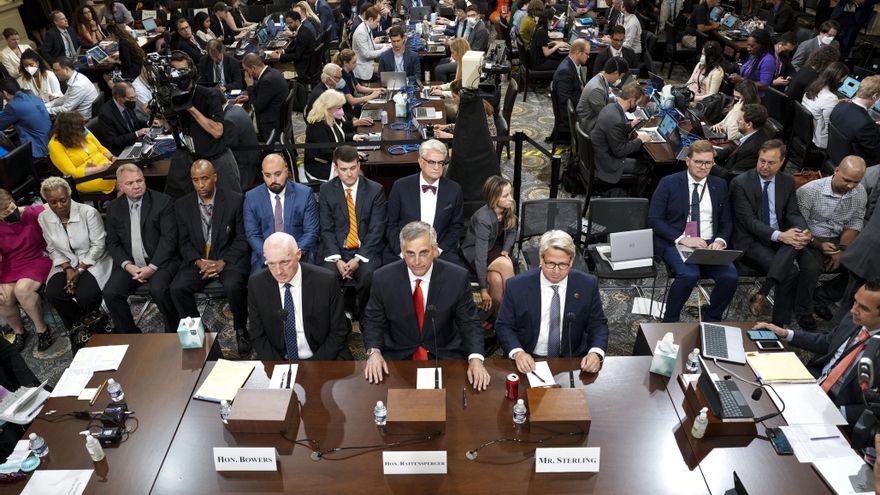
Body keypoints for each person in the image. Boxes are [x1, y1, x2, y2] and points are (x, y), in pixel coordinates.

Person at [363, 221, 490, 389]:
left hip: (444, 354)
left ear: (435, 250)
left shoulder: (457, 278)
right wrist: (374, 352)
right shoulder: (382, 278)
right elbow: (373, 321)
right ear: (402, 251)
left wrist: (475, 358)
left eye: (423, 253)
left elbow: (469, 323)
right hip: (398, 357)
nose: (416, 261)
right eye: (410, 253)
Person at [754, 280, 880, 424]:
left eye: (863, 308)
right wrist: (785, 333)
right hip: (815, 381)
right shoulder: (854, 319)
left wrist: (840, 414)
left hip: (839, 407)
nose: (853, 310)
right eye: (855, 302)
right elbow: (828, 342)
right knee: (763, 395)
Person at [648, 140, 738, 322]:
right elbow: (654, 219)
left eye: (708, 163)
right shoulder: (669, 183)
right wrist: (682, 238)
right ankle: (670, 319)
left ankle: (712, 318)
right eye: (698, 162)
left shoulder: (719, 185)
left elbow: (726, 221)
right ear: (687, 160)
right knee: (689, 275)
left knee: (730, 276)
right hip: (678, 242)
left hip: (709, 244)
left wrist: (720, 241)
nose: (703, 167)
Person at [495, 229, 608, 372]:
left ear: (571, 261)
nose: (556, 271)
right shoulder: (517, 285)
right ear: (541, 259)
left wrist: (596, 353)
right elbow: (504, 325)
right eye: (550, 264)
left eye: (563, 265)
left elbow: (598, 324)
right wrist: (518, 352)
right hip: (528, 358)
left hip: (571, 359)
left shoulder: (587, 284)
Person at [170, 160, 251, 355]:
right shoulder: (182, 205)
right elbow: (183, 242)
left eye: (205, 178)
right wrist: (199, 262)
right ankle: (200, 332)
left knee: (234, 285)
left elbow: (242, 238)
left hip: (226, 259)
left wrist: (222, 263)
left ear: (215, 177)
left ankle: (241, 329)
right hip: (198, 261)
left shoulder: (235, 200)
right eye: (195, 180)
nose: (200, 185)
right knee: (177, 288)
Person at [730, 140, 811, 326]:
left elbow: (793, 213)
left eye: (771, 163)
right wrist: (782, 236)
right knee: (790, 271)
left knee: (797, 241)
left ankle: (762, 295)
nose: (764, 166)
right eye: (762, 160)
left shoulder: (787, 181)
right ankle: (778, 324)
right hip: (750, 241)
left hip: (778, 238)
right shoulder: (740, 183)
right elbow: (749, 222)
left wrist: (803, 231)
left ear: (782, 161)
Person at [248, 231, 351, 360]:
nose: (278, 271)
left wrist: (313, 368)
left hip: (323, 356)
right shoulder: (257, 284)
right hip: (278, 358)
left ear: (298, 254)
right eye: (271, 264)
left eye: (285, 262)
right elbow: (257, 334)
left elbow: (338, 332)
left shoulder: (326, 281)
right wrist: (280, 367)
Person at [103, 164, 180, 333]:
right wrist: (127, 265)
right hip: (131, 265)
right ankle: (130, 335)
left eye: (139, 181)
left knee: (158, 289)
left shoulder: (163, 202)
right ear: (120, 186)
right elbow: (113, 243)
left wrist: (152, 268)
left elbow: (169, 240)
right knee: (111, 293)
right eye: (130, 183)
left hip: (160, 261)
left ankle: (174, 331)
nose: (136, 186)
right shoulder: (114, 208)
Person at [795, 156, 867, 331]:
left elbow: (855, 222)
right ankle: (803, 310)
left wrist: (842, 250)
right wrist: (818, 245)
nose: (850, 186)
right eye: (847, 180)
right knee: (812, 267)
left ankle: (822, 297)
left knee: (862, 267)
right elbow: (798, 224)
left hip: (839, 239)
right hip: (809, 238)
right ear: (836, 171)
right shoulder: (809, 191)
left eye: (855, 182)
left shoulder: (859, 192)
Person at [37, 177, 112, 334]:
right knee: (54, 294)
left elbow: (98, 246)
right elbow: (52, 248)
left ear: (69, 195)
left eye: (63, 200)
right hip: (65, 263)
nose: (59, 206)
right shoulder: (43, 218)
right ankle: (78, 328)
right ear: (47, 202)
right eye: (53, 202)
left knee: (85, 295)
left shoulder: (88, 213)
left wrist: (79, 270)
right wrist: (67, 268)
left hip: (93, 261)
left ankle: (99, 325)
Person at [319, 146, 387, 316]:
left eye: (353, 168)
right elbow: (326, 229)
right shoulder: (326, 190)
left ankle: (367, 318)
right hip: (337, 252)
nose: (349, 174)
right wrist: (337, 260)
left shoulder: (375, 190)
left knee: (369, 276)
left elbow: (377, 229)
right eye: (343, 169)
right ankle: (338, 321)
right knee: (326, 277)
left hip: (365, 250)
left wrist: (358, 259)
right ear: (336, 168)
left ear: (358, 165)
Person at [165, 50, 240, 198]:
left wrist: (190, 108)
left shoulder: (209, 95)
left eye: (182, 71)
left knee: (229, 204)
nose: (179, 76)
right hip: (191, 160)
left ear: (192, 72)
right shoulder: (174, 97)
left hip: (217, 161)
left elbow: (217, 131)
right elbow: (170, 127)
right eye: (175, 72)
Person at [385, 140, 465, 266]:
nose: (437, 167)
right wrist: (403, 252)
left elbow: (457, 226)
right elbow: (391, 224)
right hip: (404, 250)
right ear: (421, 162)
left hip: (440, 252)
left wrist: (437, 250)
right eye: (432, 162)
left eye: (441, 163)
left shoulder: (454, 190)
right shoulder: (400, 186)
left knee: (458, 276)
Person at [244, 154, 320, 271]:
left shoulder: (305, 194)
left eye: (277, 174)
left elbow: (311, 232)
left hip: (299, 255)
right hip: (265, 257)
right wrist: (271, 257)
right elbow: (253, 234)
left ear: (286, 171)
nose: (273, 180)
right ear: (262, 174)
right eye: (268, 175)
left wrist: (291, 256)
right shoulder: (252, 197)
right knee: (258, 282)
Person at [0, 190, 53, 352]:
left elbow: (54, 203)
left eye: (11, 208)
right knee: (3, 297)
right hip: (11, 263)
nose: (10, 213)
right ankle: (20, 332)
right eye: (5, 213)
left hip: (37, 257)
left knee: (22, 290)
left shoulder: (30, 212)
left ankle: (42, 330)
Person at [460, 176, 517, 317]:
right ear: (494, 199)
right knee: (506, 265)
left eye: (510, 193)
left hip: (495, 247)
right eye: (506, 195)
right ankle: (516, 307)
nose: (511, 198)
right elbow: (480, 257)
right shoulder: (483, 218)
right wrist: (483, 289)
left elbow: (512, 231)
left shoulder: (508, 207)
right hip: (476, 253)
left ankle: (498, 320)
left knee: (497, 282)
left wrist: (505, 249)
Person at [591, 82, 652, 197]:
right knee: (645, 168)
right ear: (632, 100)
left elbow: (614, 132)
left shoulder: (611, 106)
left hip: (601, 153)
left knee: (639, 154)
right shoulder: (616, 120)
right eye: (637, 103)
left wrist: (630, 125)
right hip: (608, 162)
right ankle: (635, 201)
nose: (637, 106)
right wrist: (640, 139)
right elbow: (620, 151)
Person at [48, 112, 117, 194]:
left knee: (128, 172)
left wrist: (112, 158)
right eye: (79, 128)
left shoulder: (83, 131)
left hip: (106, 167)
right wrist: (98, 169)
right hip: (85, 178)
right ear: (69, 131)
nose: (83, 130)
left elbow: (100, 148)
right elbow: (71, 172)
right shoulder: (55, 145)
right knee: (122, 180)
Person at [305, 90, 367, 181]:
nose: (341, 111)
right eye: (338, 108)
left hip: (332, 159)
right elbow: (326, 152)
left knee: (358, 170)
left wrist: (355, 137)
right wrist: (350, 155)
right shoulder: (317, 125)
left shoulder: (329, 117)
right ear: (328, 107)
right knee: (357, 175)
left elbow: (337, 136)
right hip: (321, 166)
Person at [0, 336, 40, 458]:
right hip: (3, 424)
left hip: (13, 392)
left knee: (52, 406)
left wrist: (30, 386)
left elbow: (9, 352)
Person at [236, 54, 288, 142]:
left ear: (253, 68)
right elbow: (266, 95)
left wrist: (249, 86)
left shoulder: (267, 81)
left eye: (246, 70)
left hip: (270, 123)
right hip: (279, 116)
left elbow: (257, 107)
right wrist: (249, 97)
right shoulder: (273, 72)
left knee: (241, 129)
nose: (245, 73)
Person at [829, 75, 880, 165]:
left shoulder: (840, 105)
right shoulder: (866, 124)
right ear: (875, 96)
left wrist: (873, 127)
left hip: (834, 153)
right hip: (852, 164)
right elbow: (876, 153)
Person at [0, 78, 51, 161]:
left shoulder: (13, 105)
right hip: (49, 142)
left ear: (5, 93)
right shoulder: (32, 96)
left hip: (38, 149)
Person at [802, 62, 849, 149]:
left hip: (804, 131)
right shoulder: (831, 98)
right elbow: (830, 126)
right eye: (843, 79)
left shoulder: (814, 86)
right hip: (819, 139)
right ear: (837, 79)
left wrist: (837, 102)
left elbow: (821, 103)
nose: (843, 82)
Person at [717, 104, 771, 178]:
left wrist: (711, 165)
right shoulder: (758, 132)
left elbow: (731, 176)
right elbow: (736, 150)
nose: (737, 121)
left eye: (740, 119)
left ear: (749, 124)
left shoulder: (752, 149)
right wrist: (714, 153)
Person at [220, 90, 260, 188]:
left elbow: (229, 154)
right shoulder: (236, 109)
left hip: (245, 172)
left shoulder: (228, 120)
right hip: (253, 161)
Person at [576, 56, 628, 133]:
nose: (619, 80)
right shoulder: (596, 89)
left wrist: (616, 100)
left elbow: (603, 100)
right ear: (615, 72)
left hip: (591, 119)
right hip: (589, 126)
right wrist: (622, 112)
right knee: (621, 129)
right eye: (620, 77)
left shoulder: (600, 77)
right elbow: (604, 115)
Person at [97, 81, 149, 155]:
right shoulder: (106, 114)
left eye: (135, 97)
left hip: (134, 142)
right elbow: (113, 141)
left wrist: (148, 123)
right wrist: (137, 134)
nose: (134, 100)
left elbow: (135, 123)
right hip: (121, 150)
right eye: (131, 98)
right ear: (119, 98)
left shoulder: (127, 104)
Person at [432, 80, 497, 138]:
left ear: (462, 96)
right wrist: (445, 127)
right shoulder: (473, 103)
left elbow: (468, 139)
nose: (453, 100)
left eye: (454, 97)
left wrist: (447, 136)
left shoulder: (475, 110)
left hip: (482, 148)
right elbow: (464, 127)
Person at [552, 38, 588, 136]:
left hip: (576, 106)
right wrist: (587, 102)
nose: (588, 57)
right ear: (578, 53)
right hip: (568, 115)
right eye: (587, 54)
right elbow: (566, 100)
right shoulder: (565, 71)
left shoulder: (575, 65)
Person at [269, 11, 316, 79]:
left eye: (290, 23)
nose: (288, 26)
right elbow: (296, 48)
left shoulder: (303, 35)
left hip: (302, 67)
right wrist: (283, 51)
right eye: (287, 23)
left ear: (297, 21)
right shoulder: (302, 29)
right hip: (305, 62)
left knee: (274, 69)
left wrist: (278, 56)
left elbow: (296, 56)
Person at [352, 6, 391, 82]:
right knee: (388, 68)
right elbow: (367, 54)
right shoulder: (361, 32)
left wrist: (385, 45)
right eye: (377, 21)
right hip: (363, 70)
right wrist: (383, 50)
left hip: (368, 64)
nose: (378, 24)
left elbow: (372, 45)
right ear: (370, 19)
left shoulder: (367, 28)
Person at [529, 7, 569, 71]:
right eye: (552, 19)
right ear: (548, 19)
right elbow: (546, 53)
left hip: (536, 59)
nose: (552, 21)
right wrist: (557, 46)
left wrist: (553, 43)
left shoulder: (539, 27)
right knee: (564, 64)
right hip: (538, 63)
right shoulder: (542, 32)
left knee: (560, 58)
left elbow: (542, 44)